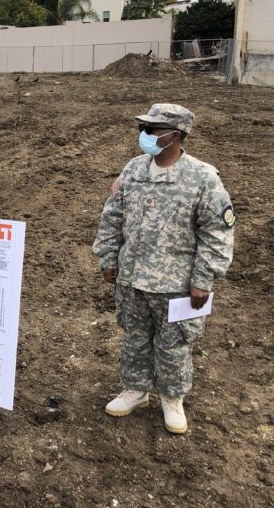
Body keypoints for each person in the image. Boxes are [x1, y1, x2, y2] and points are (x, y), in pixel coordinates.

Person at [93, 103, 235, 434]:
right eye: (143, 129)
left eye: (153, 130)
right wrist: (109, 258)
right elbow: (112, 216)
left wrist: (203, 279)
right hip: (132, 278)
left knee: (174, 345)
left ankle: (172, 399)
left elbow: (217, 233)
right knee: (135, 338)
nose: (145, 135)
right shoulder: (133, 170)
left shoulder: (203, 178)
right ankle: (136, 390)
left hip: (178, 284)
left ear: (177, 135)